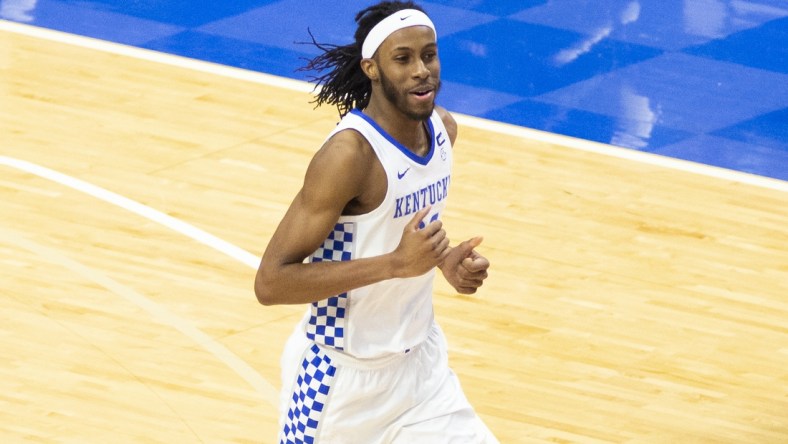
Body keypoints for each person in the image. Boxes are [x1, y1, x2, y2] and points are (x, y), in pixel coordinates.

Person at [254, 2, 496, 443]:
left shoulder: (442, 131)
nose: (422, 70)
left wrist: (444, 261)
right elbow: (270, 283)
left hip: (422, 373)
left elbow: (401, 232)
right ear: (372, 68)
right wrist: (395, 265)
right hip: (340, 386)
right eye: (402, 59)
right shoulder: (349, 156)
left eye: (429, 54)